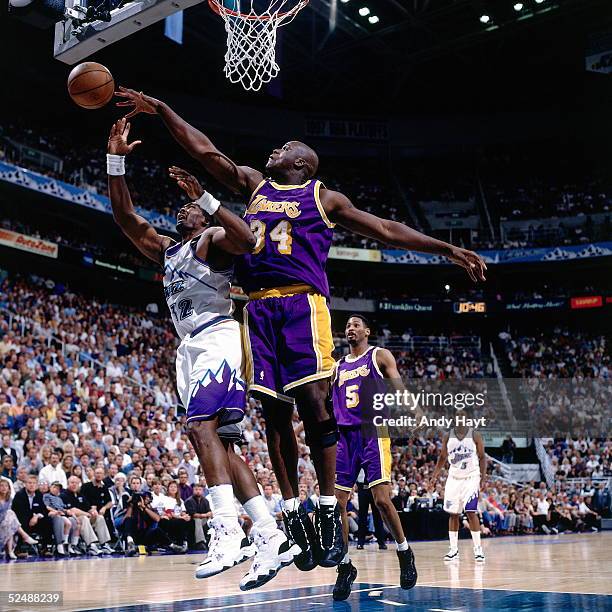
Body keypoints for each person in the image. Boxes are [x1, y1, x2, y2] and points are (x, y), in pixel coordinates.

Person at [114, 87, 487, 572]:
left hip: (303, 304)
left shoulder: (323, 197)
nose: (274, 150)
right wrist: (162, 110)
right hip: (255, 308)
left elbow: (388, 229)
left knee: (314, 404)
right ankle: (293, 514)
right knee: (272, 414)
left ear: (302, 163)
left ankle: (331, 511)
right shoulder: (253, 186)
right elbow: (204, 151)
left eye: (284, 148)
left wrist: (447, 250)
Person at [106, 118, 299, 589]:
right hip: (188, 349)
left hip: (217, 336)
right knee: (222, 445)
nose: (181, 209)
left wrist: (208, 200)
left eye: (189, 207)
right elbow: (126, 218)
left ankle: (227, 529)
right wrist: (116, 162)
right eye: (182, 206)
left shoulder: (210, 240)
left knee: (199, 427)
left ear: (204, 216)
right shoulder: (169, 250)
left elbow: (249, 241)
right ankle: (272, 536)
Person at [331, 315, 418, 600]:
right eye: (347, 326)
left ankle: (404, 552)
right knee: (337, 504)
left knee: (381, 499)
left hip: (374, 430)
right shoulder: (337, 366)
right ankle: (344, 567)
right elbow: (327, 404)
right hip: (345, 436)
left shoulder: (379, 355)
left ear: (367, 331)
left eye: (356, 325)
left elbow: (399, 387)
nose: (350, 328)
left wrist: (414, 410)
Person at [430, 424, 487, 562]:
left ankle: (478, 549)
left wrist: (483, 477)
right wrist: (435, 475)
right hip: (454, 478)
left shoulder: (475, 435)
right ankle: (454, 550)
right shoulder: (448, 436)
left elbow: (482, 457)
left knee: (471, 512)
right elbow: (443, 457)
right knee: (453, 514)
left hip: (471, 477)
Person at [0, 478, 37, 560]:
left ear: (9, 488)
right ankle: (25, 536)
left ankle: (10, 551)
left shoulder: (9, 499)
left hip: (6, 524)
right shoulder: (18, 496)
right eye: (1, 486)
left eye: (6, 486)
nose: (4, 488)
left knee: (9, 522)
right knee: (10, 514)